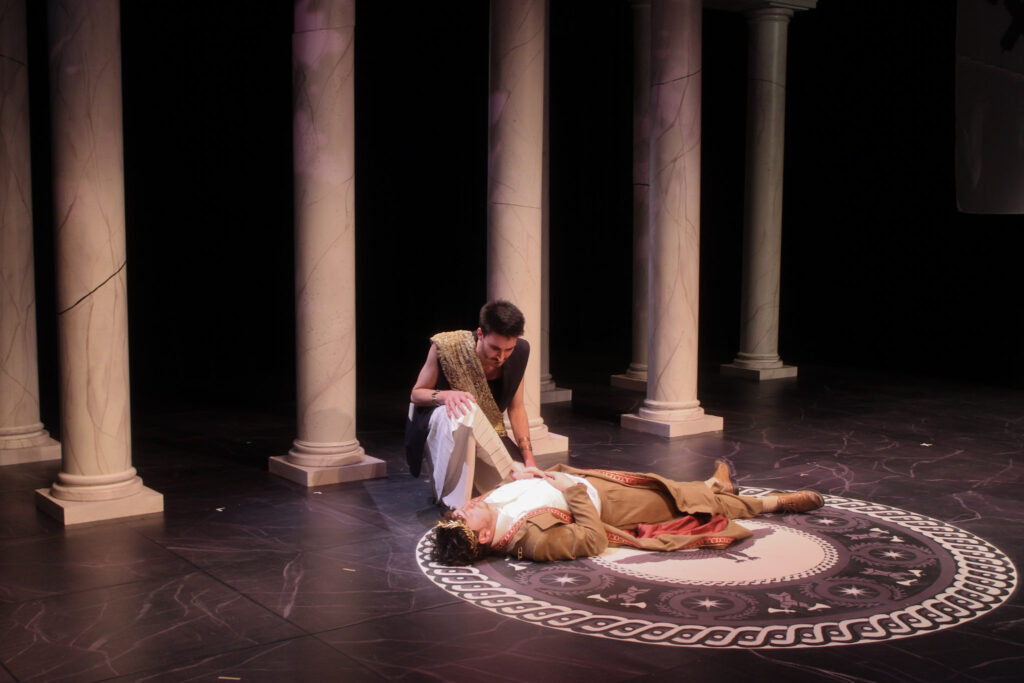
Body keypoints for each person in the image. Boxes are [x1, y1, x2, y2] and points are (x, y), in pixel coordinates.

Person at [430, 460, 825, 564]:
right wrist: (572, 493)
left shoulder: (488, 504)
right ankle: (773, 502)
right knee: (688, 506)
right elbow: (592, 539)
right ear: (484, 538)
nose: (465, 507)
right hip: (609, 506)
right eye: (464, 517)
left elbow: (524, 489)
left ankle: (711, 483)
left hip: (591, 480)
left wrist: (526, 474)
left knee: (667, 487)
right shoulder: (531, 541)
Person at [407, 300, 536, 510]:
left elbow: (517, 408)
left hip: (487, 434)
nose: (501, 357)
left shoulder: (520, 352)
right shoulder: (447, 347)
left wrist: (529, 460)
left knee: (518, 492)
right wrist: (446, 395)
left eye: (508, 349)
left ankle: (509, 473)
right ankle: (458, 507)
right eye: (495, 348)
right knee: (466, 408)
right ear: (480, 334)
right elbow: (416, 394)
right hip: (445, 426)